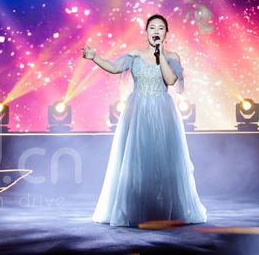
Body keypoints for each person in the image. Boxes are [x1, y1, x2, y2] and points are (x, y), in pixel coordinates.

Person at [83, 14, 207, 227]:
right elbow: (114, 67)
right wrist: (95, 57)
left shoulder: (172, 57)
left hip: (162, 111)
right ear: (146, 32)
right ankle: (136, 209)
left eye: (160, 28)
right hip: (137, 111)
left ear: (166, 34)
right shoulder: (135, 55)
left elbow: (171, 80)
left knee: (162, 161)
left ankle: (163, 211)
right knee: (137, 161)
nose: (156, 31)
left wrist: (161, 56)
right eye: (152, 27)